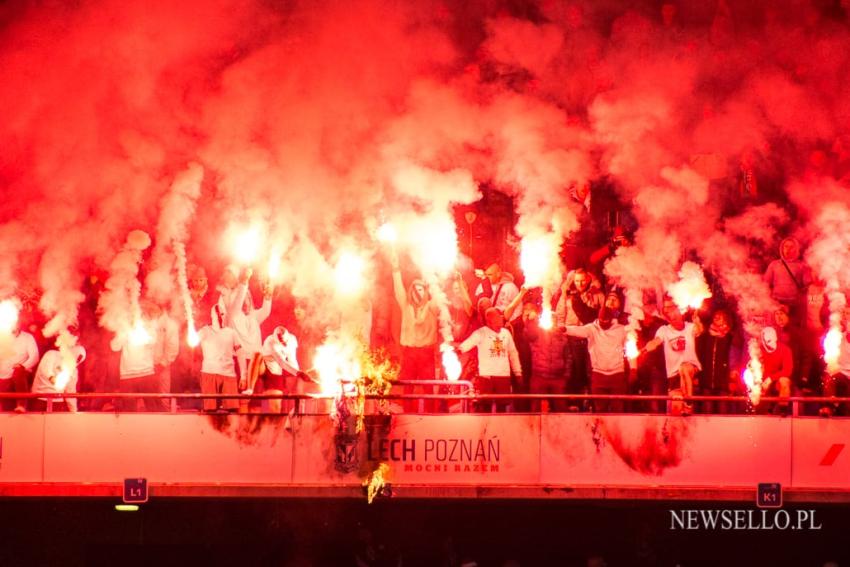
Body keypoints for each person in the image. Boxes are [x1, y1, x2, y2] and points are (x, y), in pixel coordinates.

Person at [644, 297, 703, 416]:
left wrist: (697, 322)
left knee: (684, 368)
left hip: (691, 370)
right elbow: (657, 340)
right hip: (673, 375)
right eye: (666, 311)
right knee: (676, 412)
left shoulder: (690, 327)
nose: (670, 314)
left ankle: (689, 403)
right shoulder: (664, 330)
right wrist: (652, 344)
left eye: (672, 309)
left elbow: (699, 330)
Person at [554, 268, 604, 410]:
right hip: (571, 338)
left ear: (588, 279)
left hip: (590, 338)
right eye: (577, 280)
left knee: (590, 371)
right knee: (572, 372)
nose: (580, 283)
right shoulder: (567, 296)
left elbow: (603, 315)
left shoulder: (597, 294)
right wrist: (561, 333)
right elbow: (560, 315)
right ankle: (573, 403)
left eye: (582, 280)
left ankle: (591, 403)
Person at [564, 305, 628, 413]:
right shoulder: (592, 328)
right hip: (598, 374)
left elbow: (630, 348)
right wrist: (565, 329)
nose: (603, 323)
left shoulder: (621, 330)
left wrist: (634, 369)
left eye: (606, 320)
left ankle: (616, 430)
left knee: (618, 410)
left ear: (611, 319)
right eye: (601, 320)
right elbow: (578, 330)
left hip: (617, 374)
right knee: (599, 410)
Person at [457, 307, 522, 413]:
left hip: (503, 376)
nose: (501, 318)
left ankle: (499, 429)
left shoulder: (506, 333)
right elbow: (469, 343)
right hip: (486, 377)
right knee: (484, 407)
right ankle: (484, 429)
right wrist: (459, 350)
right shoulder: (481, 333)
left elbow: (513, 353)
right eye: (498, 316)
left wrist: (517, 372)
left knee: (502, 408)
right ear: (490, 320)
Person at [390, 248, 439, 382]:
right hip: (409, 352)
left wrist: (434, 270)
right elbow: (398, 288)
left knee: (428, 388)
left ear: (425, 291)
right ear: (411, 292)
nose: (418, 292)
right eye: (415, 289)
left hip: (427, 353)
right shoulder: (407, 306)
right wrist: (395, 268)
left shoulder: (432, 306)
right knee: (407, 388)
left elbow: (438, 292)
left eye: (421, 289)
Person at [110, 312, 158, 412]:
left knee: (152, 406)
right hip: (127, 375)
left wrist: (140, 331)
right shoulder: (124, 331)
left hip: (146, 373)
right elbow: (114, 347)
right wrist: (123, 333)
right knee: (128, 409)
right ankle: (130, 427)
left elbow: (152, 341)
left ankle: (154, 426)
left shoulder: (149, 329)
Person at [695, 309, 739, 414]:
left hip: (723, 382)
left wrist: (732, 381)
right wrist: (696, 376)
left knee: (722, 411)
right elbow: (698, 356)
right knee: (707, 411)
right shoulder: (705, 336)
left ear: (726, 320)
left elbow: (733, 359)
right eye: (716, 315)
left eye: (720, 315)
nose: (717, 317)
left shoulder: (730, 338)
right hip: (706, 380)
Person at [198, 304, 241, 412]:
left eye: (222, 314)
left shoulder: (231, 333)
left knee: (232, 410)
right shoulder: (205, 331)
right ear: (212, 316)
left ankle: (230, 429)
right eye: (217, 314)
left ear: (225, 315)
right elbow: (192, 341)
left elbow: (241, 353)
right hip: (209, 373)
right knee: (209, 409)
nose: (220, 317)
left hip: (228, 374)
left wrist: (244, 375)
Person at [764, 237, 811, 325]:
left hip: (794, 306)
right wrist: (769, 302)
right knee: (776, 331)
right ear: (782, 248)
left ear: (796, 249)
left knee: (793, 331)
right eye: (786, 246)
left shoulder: (802, 266)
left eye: (791, 247)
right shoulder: (774, 265)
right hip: (777, 304)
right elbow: (765, 285)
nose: (788, 249)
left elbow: (807, 286)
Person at [30, 341, 86, 412]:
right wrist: (51, 377)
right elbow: (45, 369)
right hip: (39, 398)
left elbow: (70, 392)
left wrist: (74, 410)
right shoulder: (52, 354)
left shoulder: (73, 371)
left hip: (57, 401)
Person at [0, 312, 39, 412]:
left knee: (18, 372)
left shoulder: (27, 338)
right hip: (3, 377)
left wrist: (23, 366)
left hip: (19, 375)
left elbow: (35, 356)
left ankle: (22, 405)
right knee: (5, 409)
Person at [261, 326, 303, 414]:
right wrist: (298, 373)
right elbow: (281, 362)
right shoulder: (270, 342)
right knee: (273, 406)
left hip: (281, 370)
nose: (284, 344)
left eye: (285, 341)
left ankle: (287, 421)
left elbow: (292, 359)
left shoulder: (292, 339)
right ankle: (270, 424)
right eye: (281, 341)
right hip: (269, 371)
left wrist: (298, 373)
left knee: (283, 402)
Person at [757, 326, 793, 415]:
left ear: (775, 338)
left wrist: (770, 379)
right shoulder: (759, 351)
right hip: (764, 381)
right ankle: (762, 411)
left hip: (778, 380)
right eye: (764, 341)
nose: (767, 344)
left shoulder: (785, 350)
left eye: (769, 341)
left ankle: (782, 411)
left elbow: (787, 370)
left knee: (784, 381)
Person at [150, 303, 179, 412]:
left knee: (163, 399)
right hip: (146, 367)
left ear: (161, 307)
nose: (151, 308)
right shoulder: (148, 321)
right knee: (147, 400)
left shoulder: (170, 325)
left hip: (162, 367)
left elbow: (173, 348)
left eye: (154, 306)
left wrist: (162, 364)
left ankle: (166, 423)